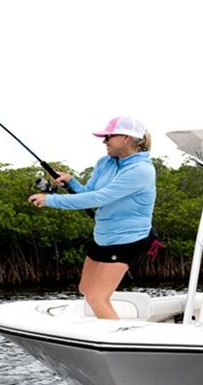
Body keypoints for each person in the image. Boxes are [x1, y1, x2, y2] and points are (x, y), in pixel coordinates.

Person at [28, 116, 160, 320]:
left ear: (125, 138)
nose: (104, 141)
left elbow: (99, 198)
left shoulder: (141, 170)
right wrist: (71, 183)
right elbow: (88, 192)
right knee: (86, 289)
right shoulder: (105, 163)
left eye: (108, 137)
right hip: (103, 235)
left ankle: (118, 345)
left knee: (97, 298)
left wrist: (50, 200)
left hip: (128, 240)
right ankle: (104, 326)